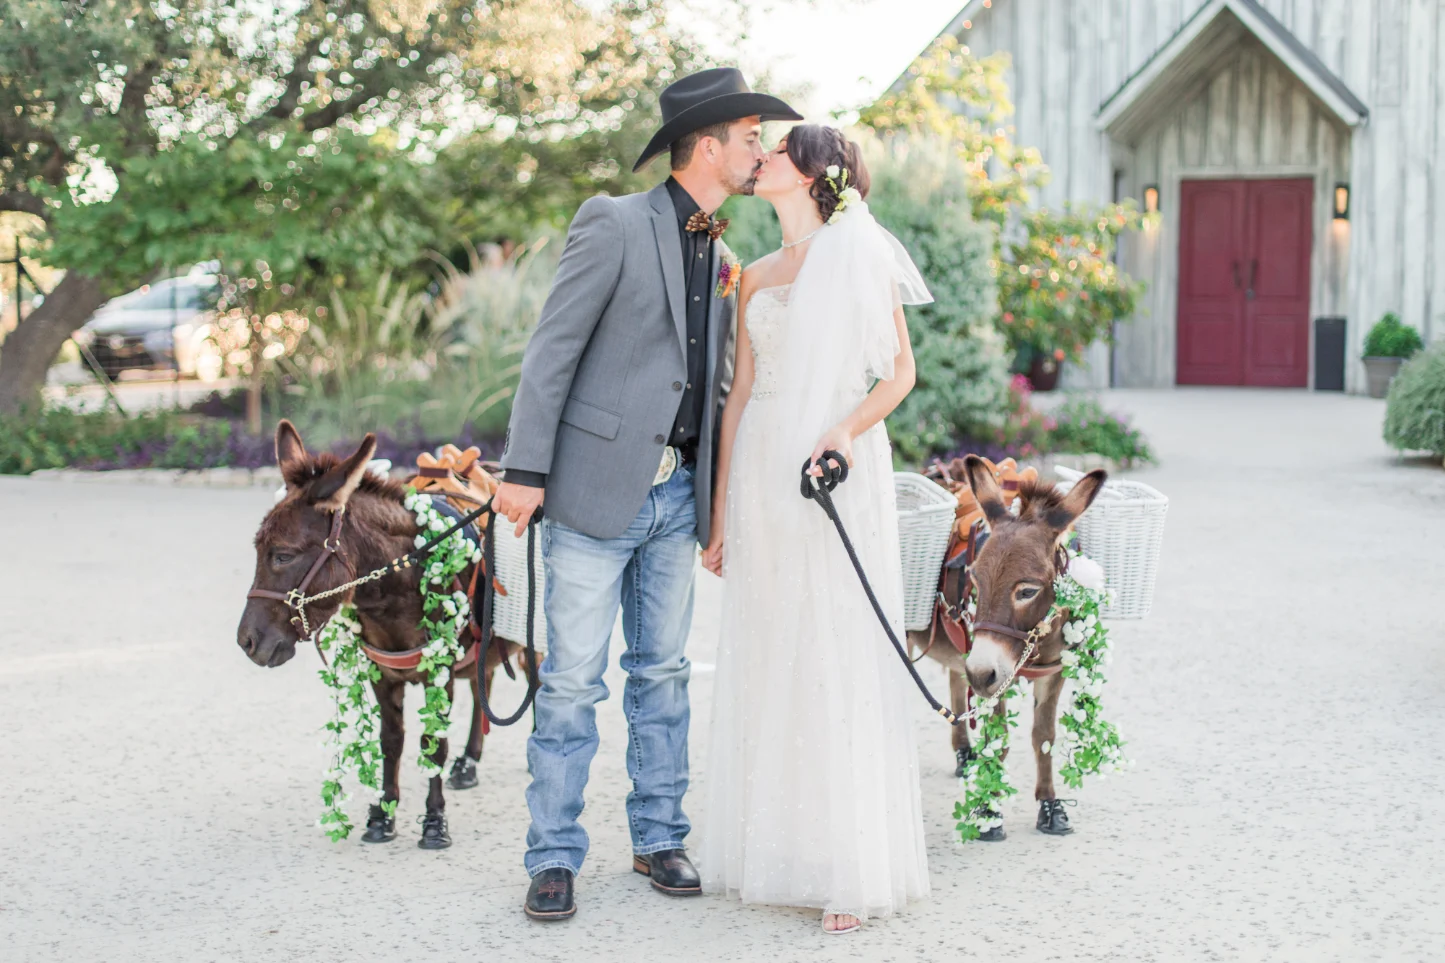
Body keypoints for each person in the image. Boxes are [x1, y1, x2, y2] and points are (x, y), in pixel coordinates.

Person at [493, 68, 801, 922]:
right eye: (750, 137)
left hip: (675, 506)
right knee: (571, 684)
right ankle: (552, 856)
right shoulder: (613, 222)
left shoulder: (726, 251)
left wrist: (714, 503)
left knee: (662, 675)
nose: (761, 151)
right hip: (595, 495)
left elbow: (713, 384)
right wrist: (524, 471)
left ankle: (659, 836)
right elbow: (551, 350)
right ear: (707, 144)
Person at [698, 124, 933, 935]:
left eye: (774, 153)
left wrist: (842, 430)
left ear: (810, 173)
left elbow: (899, 373)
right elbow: (736, 395)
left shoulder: (859, 252)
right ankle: (778, 850)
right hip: (764, 467)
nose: (757, 159)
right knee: (772, 644)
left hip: (832, 465)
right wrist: (720, 506)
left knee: (833, 646)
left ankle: (849, 866)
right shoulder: (751, 275)